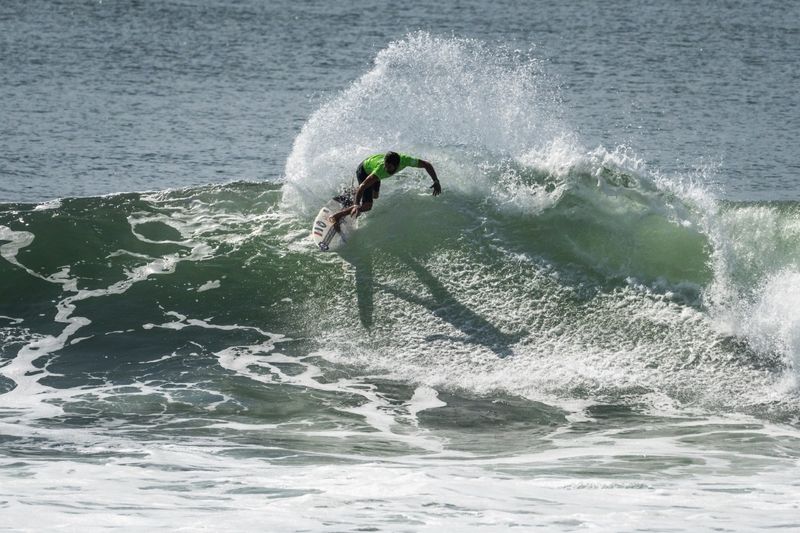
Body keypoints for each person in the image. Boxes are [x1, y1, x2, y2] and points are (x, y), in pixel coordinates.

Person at [329, 151, 441, 226]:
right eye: (386, 165)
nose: (387, 169)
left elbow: (426, 164)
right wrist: (356, 205)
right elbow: (363, 186)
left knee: (375, 195)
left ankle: (350, 193)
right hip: (364, 171)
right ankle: (337, 216)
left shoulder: (406, 160)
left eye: (390, 167)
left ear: (397, 165)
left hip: (371, 167)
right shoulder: (380, 170)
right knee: (367, 206)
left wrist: (436, 180)